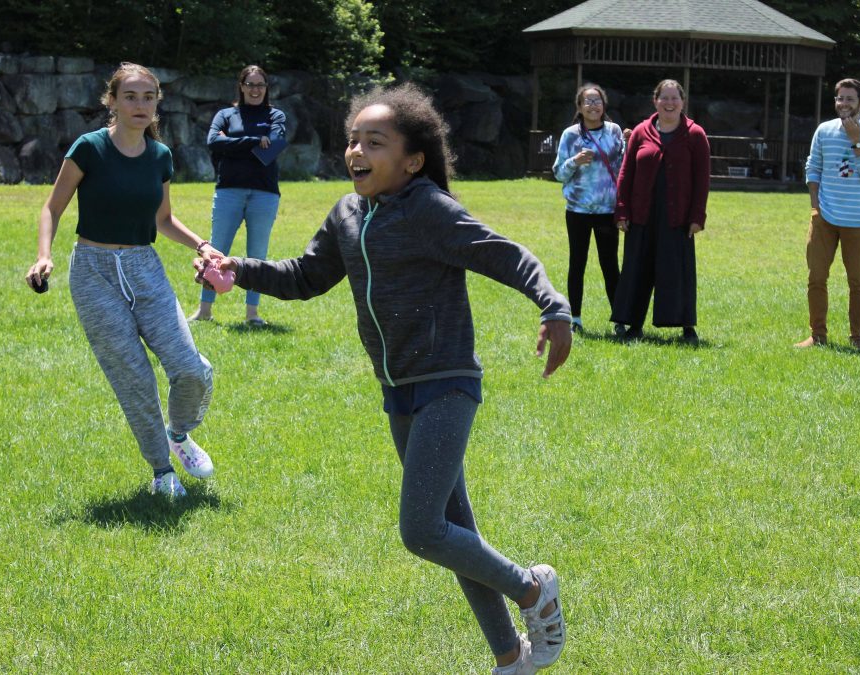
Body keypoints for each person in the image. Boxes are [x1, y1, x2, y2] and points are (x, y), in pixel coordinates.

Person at [204, 83, 570, 674]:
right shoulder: (348, 214)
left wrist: (553, 307)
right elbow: (306, 275)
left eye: (375, 142)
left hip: (447, 382)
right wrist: (238, 270)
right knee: (456, 533)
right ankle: (510, 658)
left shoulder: (429, 209)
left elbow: (507, 255)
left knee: (423, 530)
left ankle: (532, 590)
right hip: (398, 390)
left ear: (413, 159)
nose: (357, 151)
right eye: (353, 140)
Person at [25, 63, 223, 499]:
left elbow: (163, 219)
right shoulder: (89, 148)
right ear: (111, 101)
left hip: (144, 269)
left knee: (190, 368)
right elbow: (52, 208)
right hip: (93, 273)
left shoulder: (161, 156)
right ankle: (161, 473)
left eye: (148, 97)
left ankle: (180, 434)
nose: (140, 105)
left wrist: (201, 245)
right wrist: (44, 256)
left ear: (157, 104)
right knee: (134, 378)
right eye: (130, 96)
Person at [612, 79, 710, 342]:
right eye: (664, 98)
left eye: (674, 98)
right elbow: (626, 173)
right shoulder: (641, 132)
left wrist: (697, 217)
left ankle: (686, 328)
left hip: (677, 217)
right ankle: (633, 325)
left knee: (677, 270)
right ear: (655, 101)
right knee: (636, 270)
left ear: (682, 101)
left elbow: (702, 181)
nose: (669, 103)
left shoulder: (695, 134)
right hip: (642, 214)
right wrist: (621, 211)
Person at [795, 77, 860, 352]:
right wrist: (815, 206)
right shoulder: (824, 131)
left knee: (858, 282)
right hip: (824, 218)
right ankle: (818, 335)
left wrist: (857, 142)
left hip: (859, 221)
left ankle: (857, 338)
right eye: (840, 98)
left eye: (849, 99)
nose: (843, 103)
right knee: (816, 277)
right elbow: (813, 167)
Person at [189, 65, 287, 326]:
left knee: (257, 256)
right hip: (228, 191)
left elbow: (271, 150)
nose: (255, 89)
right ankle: (205, 311)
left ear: (266, 88)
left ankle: (252, 314)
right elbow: (213, 143)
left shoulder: (275, 115)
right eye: (250, 84)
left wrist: (232, 144)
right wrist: (255, 140)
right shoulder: (226, 114)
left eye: (260, 85)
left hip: (264, 194)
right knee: (215, 251)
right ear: (241, 86)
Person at [552, 82, 624, 334]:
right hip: (578, 211)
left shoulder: (614, 131)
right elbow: (559, 173)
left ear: (604, 105)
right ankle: (576, 318)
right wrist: (575, 161)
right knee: (577, 263)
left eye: (597, 101)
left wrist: (629, 142)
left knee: (610, 265)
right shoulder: (570, 135)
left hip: (607, 210)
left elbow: (625, 167)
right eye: (588, 102)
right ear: (580, 107)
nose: (593, 106)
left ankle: (619, 319)